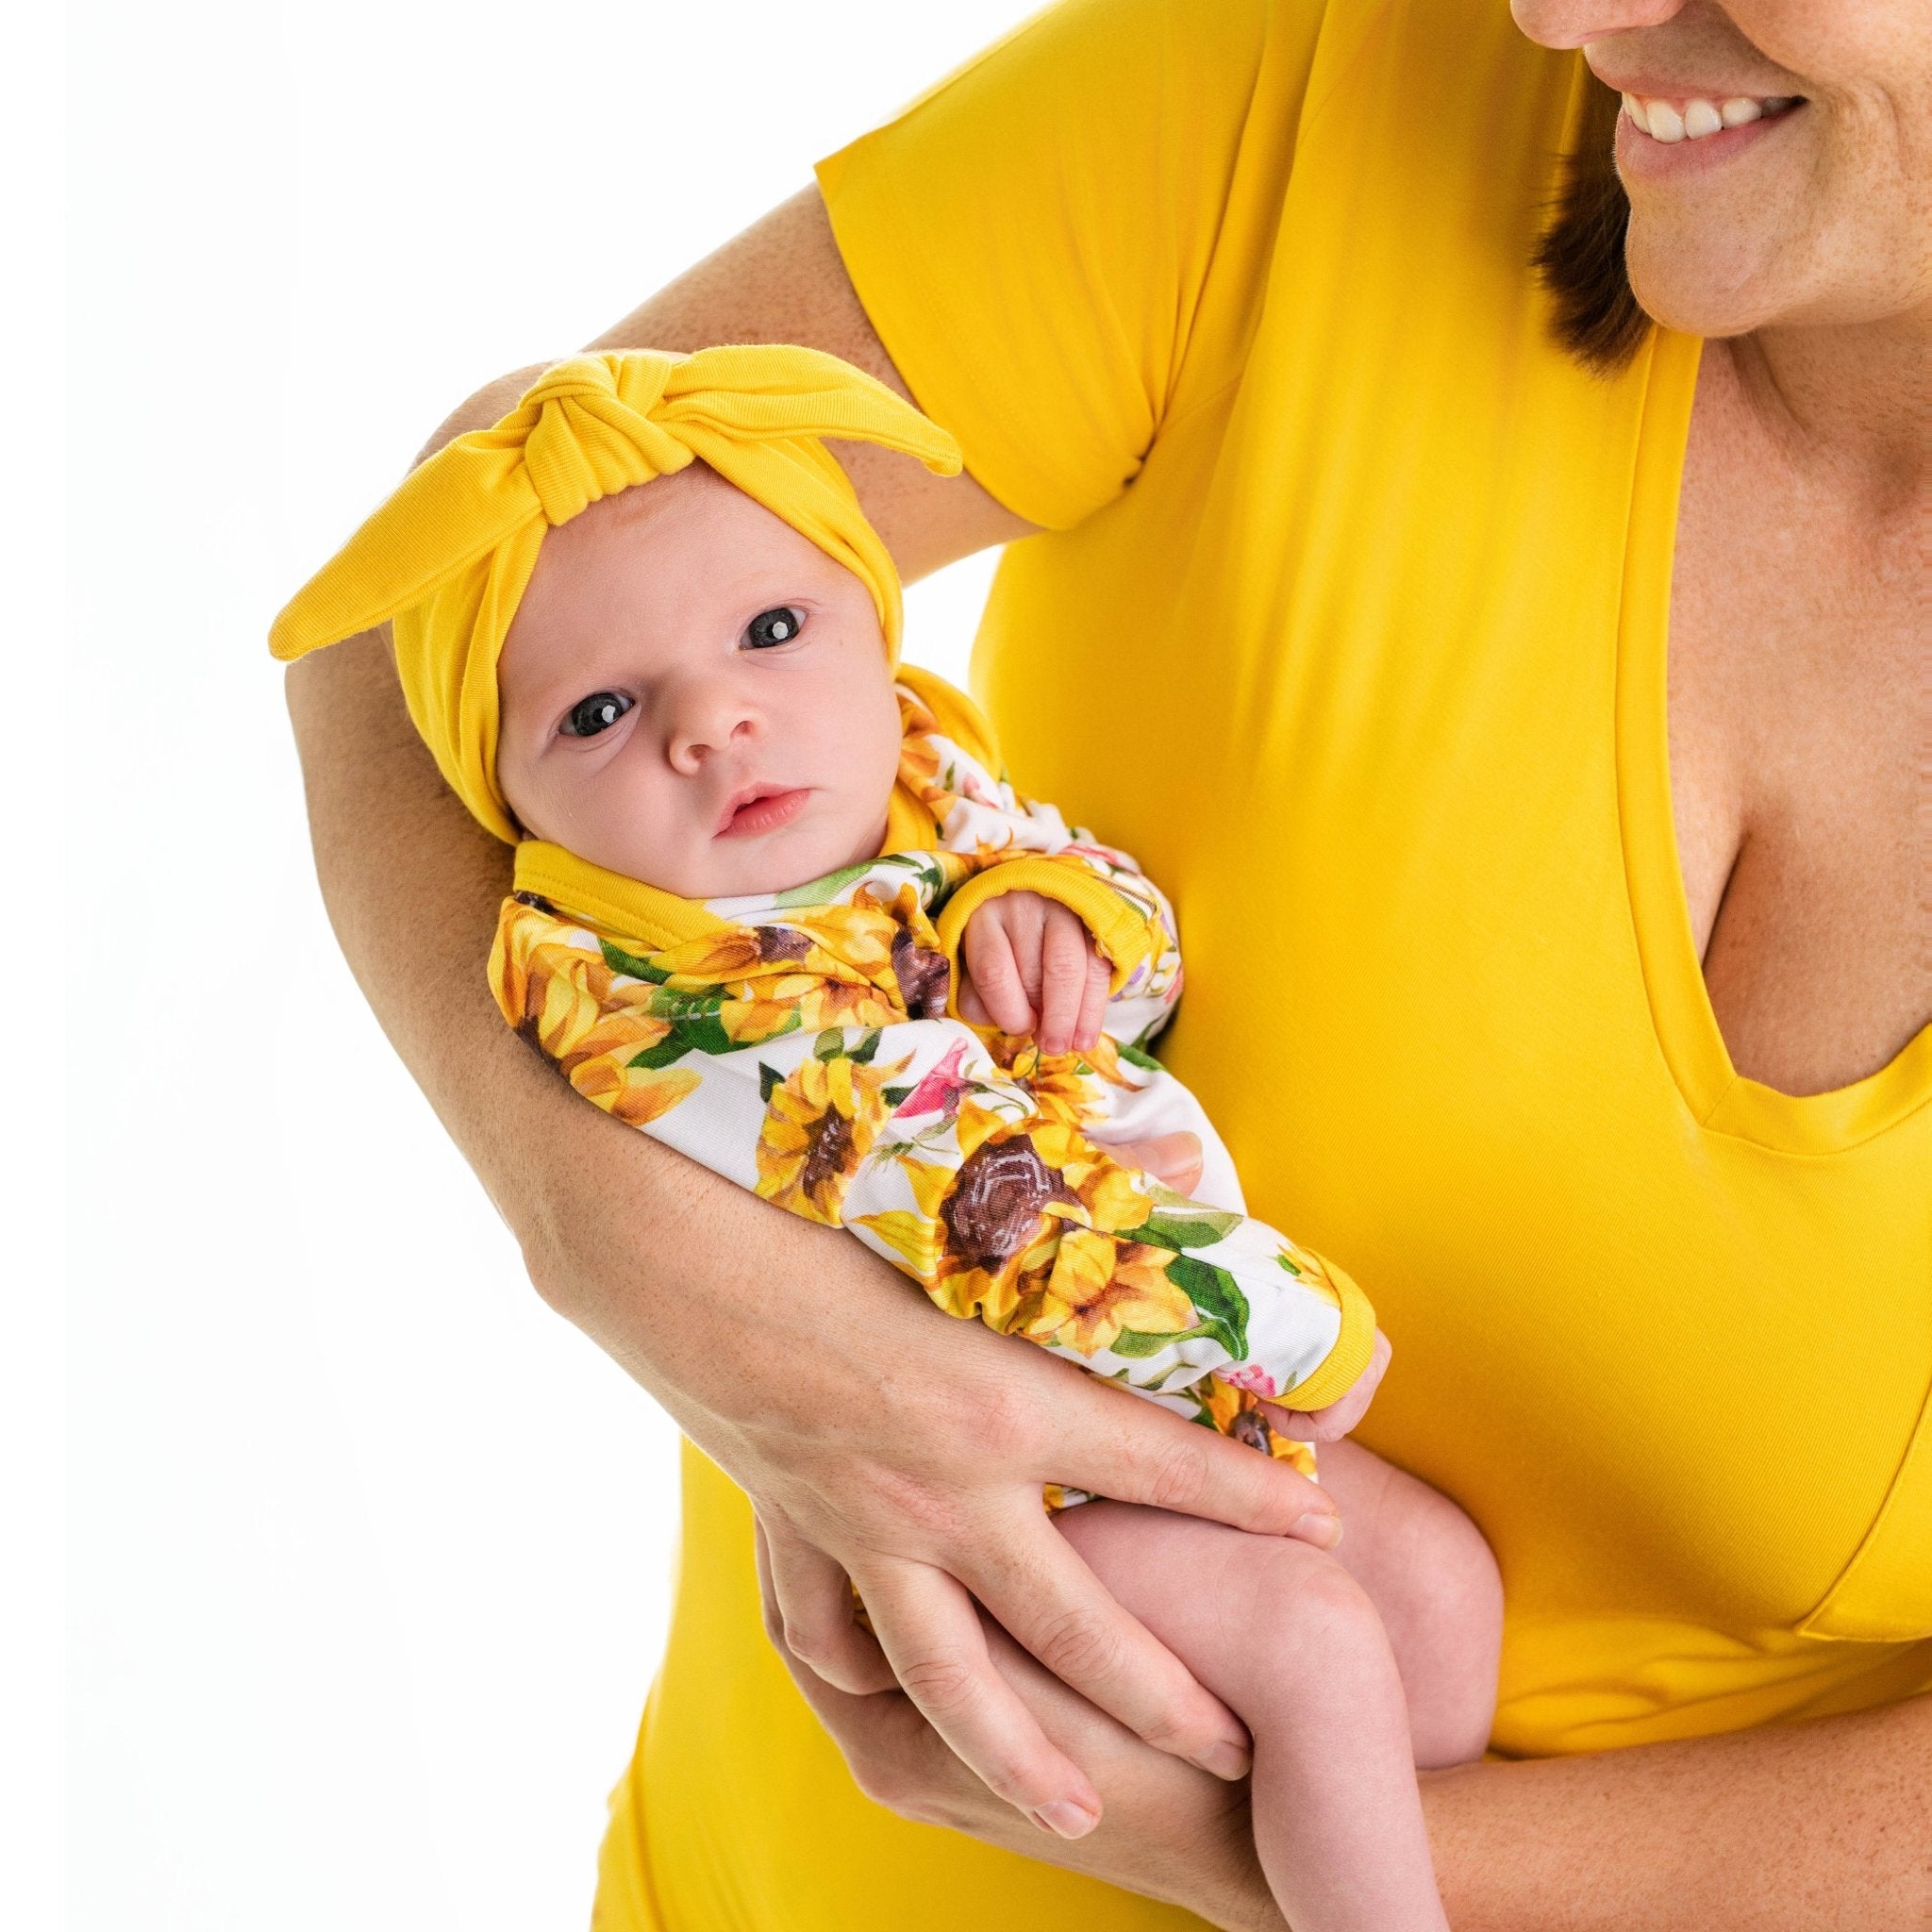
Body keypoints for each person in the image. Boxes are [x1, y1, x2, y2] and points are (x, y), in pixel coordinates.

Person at [282, 0, 1930, 1924]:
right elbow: (426, 605)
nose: (1563, 12)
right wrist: (624, 1242)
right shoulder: (1331, 79)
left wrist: (1254, 1848)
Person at [271, 341, 1501, 1929]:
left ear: (877, 626)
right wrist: (1279, 1334)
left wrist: (1058, 912)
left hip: (1170, 1422)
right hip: (992, 1462)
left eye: (772, 631)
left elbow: (1128, 944)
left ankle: (1387, 1880)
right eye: (596, 713)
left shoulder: (928, 797)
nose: (712, 722)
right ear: (502, 798)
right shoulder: (646, 994)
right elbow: (957, 1201)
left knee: (1436, 1585)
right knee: (1321, 1650)